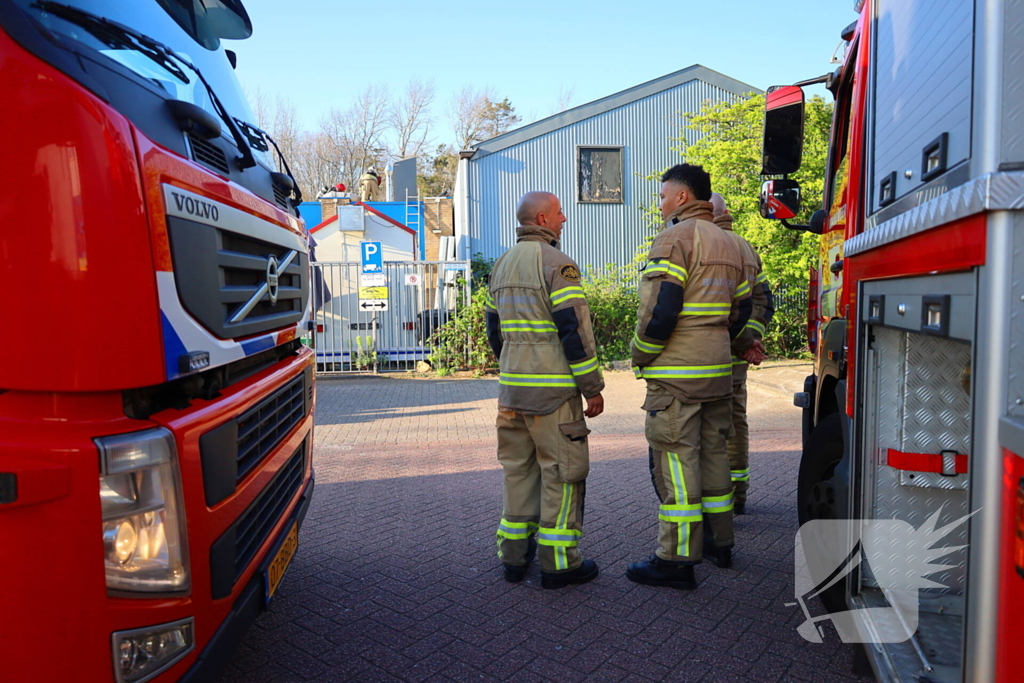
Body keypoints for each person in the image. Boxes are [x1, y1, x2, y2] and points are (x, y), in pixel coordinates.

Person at [625, 164, 757, 590]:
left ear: (682, 197)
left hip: (677, 375)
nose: (661, 204)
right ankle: (720, 543)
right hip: (718, 371)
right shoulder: (732, 243)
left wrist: (641, 354)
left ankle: (676, 559)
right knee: (715, 456)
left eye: (663, 196)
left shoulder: (674, 238)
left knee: (677, 463)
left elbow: (660, 308)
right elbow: (741, 310)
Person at [484, 191, 605, 589]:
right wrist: (592, 388)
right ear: (542, 219)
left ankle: (513, 557)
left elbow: (494, 332)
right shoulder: (557, 264)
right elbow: (574, 331)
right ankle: (560, 563)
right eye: (559, 212)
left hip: (512, 391)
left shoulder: (501, 264)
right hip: (553, 395)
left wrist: (514, 366)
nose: (564, 218)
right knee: (563, 474)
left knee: (518, 472)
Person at [710, 193, 774, 515]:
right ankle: (738, 495)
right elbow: (764, 301)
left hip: (706, 357)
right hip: (738, 359)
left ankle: (713, 502)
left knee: (707, 430)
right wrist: (751, 342)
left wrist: (743, 341)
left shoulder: (702, 244)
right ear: (727, 212)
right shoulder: (746, 247)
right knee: (736, 425)